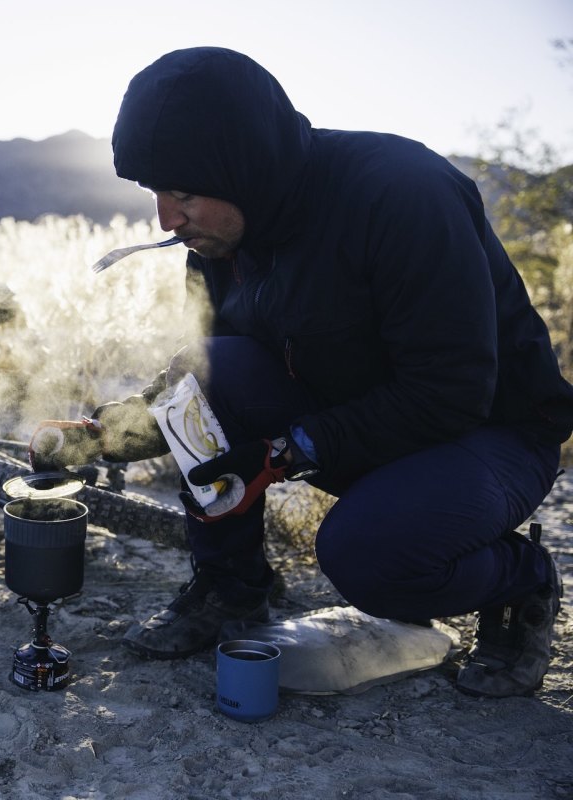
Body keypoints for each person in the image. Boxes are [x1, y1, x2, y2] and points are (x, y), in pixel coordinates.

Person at [37, 47, 573, 697]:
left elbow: (451, 391)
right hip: (362, 423)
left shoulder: (402, 194)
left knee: (366, 556)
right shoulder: (223, 237)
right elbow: (206, 373)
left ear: (244, 168)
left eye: (181, 193)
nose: (166, 221)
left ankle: (521, 582)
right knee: (200, 383)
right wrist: (105, 434)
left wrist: (289, 451)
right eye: (155, 193)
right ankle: (232, 589)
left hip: (490, 435)